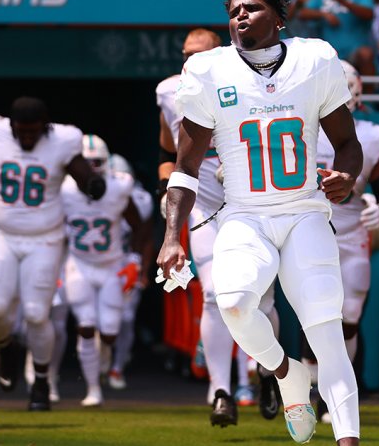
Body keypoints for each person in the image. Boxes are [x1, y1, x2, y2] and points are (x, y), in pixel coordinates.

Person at [158, 0, 361, 445]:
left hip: (304, 211)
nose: (239, 16)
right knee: (230, 302)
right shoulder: (208, 70)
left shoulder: (315, 61)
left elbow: (347, 145)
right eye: (233, 11)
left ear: (279, 17)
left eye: (250, 7)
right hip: (245, 215)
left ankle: (347, 438)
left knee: (325, 330)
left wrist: (347, 177)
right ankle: (286, 374)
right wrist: (173, 237)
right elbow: (186, 167)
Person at [0, 98, 106, 411]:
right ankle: (7, 348)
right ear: (11, 126)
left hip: (45, 238)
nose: (27, 138)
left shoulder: (63, 141)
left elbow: (82, 174)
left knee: (37, 313)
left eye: (33, 132)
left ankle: (40, 382)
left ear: (45, 127)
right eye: (21, 131)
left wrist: (93, 184)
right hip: (3, 235)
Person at [156, 28, 244, 427]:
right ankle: (222, 389)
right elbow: (166, 150)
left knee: (257, 299)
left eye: (200, 54)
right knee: (212, 295)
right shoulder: (171, 92)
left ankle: (256, 375)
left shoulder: (245, 81)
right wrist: (165, 188)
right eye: (186, 54)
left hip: (250, 206)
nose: (190, 62)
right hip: (205, 206)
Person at [308, 60, 379, 421]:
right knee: (315, 316)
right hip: (309, 231)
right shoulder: (300, 131)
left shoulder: (371, 138)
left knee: (349, 317)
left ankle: (332, 396)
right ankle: (311, 389)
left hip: (351, 235)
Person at [61, 134, 144, 406]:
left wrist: (135, 261)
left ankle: (104, 354)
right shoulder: (63, 190)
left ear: (107, 163)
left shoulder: (119, 187)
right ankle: (93, 389)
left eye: (97, 162)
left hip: (111, 266)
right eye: (86, 162)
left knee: (109, 331)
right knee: (85, 325)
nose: (92, 168)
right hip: (79, 264)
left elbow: (140, 225)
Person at [105, 153, 155, 390]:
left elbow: (144, 237)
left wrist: (142, 269)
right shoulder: (96, 195)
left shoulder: (141, 198)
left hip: (128, 260)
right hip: (104, 261)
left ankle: (117, 367)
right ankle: (101, 362)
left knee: (125, 318)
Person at [300, 0, 375, 77]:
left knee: (366, 54)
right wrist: (323, 14)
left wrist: (343, 1)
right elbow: (302, 13)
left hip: (353, 53)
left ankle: (369, 94)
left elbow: (369, 14)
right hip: (328, 54)